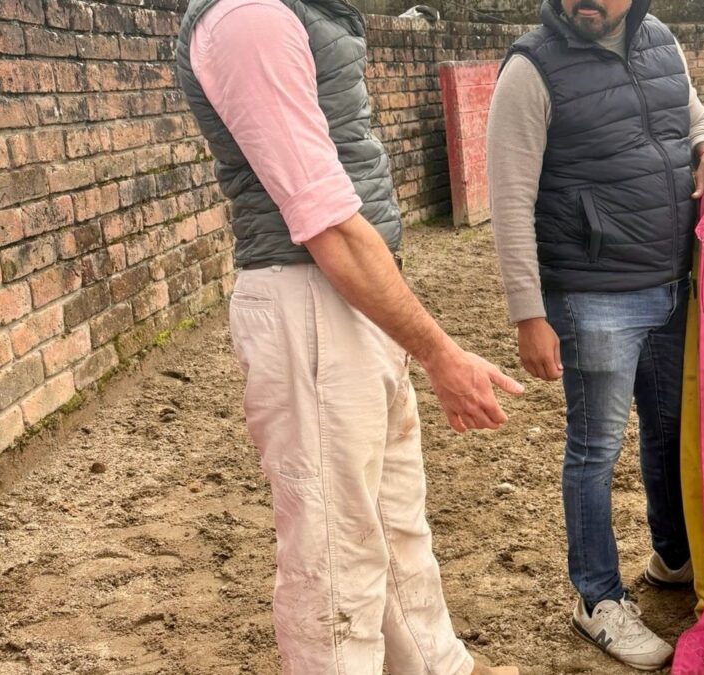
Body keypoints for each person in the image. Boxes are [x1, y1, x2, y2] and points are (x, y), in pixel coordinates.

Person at [174, 0, 522, 673]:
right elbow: (326, 224)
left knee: (393, 524)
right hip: (311, 300)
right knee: (334, 555)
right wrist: (438, 350)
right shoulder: (253, 19)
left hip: (344, 299)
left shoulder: (303, 13)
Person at [487, 0, 704, 669]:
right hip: (591, 294)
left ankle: (673, 556)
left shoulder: (661, 42)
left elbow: (689, 114)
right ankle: (597, 596)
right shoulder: (530, 68)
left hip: (671, 281)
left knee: (668, 427)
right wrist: (527, 313)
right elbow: (508, 197)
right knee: (594, 449)